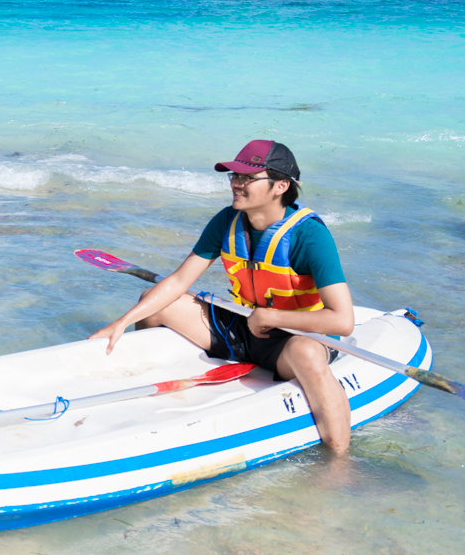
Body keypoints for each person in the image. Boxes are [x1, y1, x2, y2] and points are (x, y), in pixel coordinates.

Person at [88, 140, 356, 452]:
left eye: (248, 178)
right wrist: (121, 323)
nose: (236, 184)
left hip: (294, 339)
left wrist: (272, 316)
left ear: (281, 186)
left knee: (306, 353)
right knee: (155, 303)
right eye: (234, 176)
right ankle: (151, 390)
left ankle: (338, 460)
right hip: (244, 325)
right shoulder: (226, 221)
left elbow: (343, 321)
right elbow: (179, 281)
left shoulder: (310, 236)